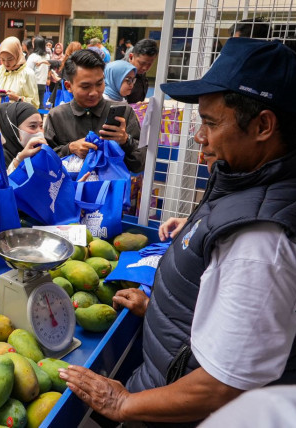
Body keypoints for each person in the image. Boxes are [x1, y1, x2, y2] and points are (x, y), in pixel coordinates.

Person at [59, 37, 296, 426]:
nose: (200, 138)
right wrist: (160, 312)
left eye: (211, 123)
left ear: (263, 125)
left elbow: (223, 385)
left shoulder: (260, 243)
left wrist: (122, 405)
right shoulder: (248, 185)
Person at [44, 50, 145, 173]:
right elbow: (45, 162)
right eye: (85, 87)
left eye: (99, 83)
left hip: (112, 190)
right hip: (69, 191)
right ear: (69, 86)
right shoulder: (57, 116)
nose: (94, 92)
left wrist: (125, 141)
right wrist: (70, 148)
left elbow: (140, 163)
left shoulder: (124, 113)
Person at [0, 37, 39, 109]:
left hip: (17, 119)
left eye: (10, 59)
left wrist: (18, 98)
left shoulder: (27, 73)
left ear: (17, 55)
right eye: (2, 59)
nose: (6, 63)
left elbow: (34, 104)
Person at [0, 101, 46, 172]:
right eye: (33, 126)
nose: (39, 132)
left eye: (41, 126)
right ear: (13, 130)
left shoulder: (38, 153)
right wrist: (19, 160)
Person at [124, 38, 158, 103]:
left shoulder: (139, 72)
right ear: (131, 57)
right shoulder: (120, 73)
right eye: (142, 63)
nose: (145, 68)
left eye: (149, 64)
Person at [26, 36, 50, 107]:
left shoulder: (33, 56)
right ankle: (41, 118)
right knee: (41, 103)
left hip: (33, 83)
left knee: (33, 103)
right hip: (43, 83)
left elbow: (28, 70)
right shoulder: (47, 56)